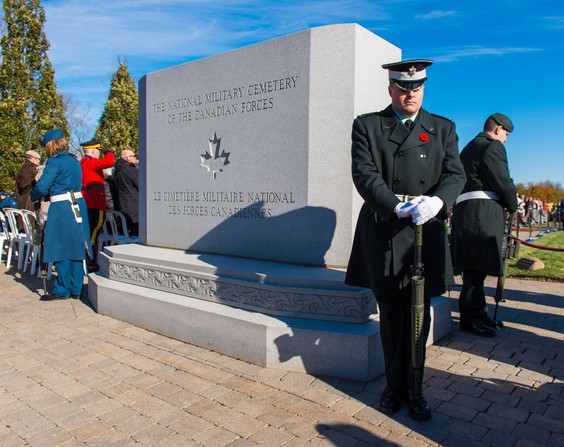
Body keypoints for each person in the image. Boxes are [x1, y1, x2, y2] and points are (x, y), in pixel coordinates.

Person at [345, 59, 466, 421]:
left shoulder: (442, 128)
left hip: (423, 230)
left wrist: (438, 201)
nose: (409, 93)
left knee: (419, 310)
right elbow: (364, 173)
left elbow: (454, 174)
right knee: (390, 312)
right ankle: (393, 385)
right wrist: (393, 205)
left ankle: (415, 387)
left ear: (423, 89)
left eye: (416, 87)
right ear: (390, 90)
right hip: (385, 227)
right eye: (402, 87)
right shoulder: (368, 125)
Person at [451, 113, 517, 337]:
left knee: (475, 268)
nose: (506, 139)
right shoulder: (493, 147)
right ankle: (470, 318)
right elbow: (502, 181)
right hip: (482, 213)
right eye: (506, 134)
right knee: (476, 269)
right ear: (498, 129)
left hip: (468, 212)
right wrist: (512, 204)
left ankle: (479, 313)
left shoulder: (470, 146)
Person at [30, 129, 91, 300]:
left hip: (62, 207)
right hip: (77, 204)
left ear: (50, 146)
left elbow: (42, 187)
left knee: (61, 246)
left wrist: (33, 195)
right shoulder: (74, 161)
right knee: (76, 245)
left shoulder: (54, 162)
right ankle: (76, 288)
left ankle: (63, 289)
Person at [79, 139, 115, 271]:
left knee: (90, 231)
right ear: (94, 151)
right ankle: (91, 260)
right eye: (99, 152)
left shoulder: (82, 162)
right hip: (95, 202)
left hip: (87, 202)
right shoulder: (90, 161)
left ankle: (89, 259)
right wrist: (109, 152)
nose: (100, 154)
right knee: (94, 232)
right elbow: (109, 162)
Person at [114, 149, 139, 237]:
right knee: (135, 232)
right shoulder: (130, 169)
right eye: (133, 156)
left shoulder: (117, 171)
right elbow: (141, 183)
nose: (135, 158)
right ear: (127, 158)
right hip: (133, 204)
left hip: (122, 203)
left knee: (125, 231)